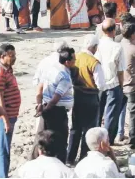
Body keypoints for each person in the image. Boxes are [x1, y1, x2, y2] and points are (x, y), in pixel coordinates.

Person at [67, 35, 105, 165]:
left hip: (77, 96)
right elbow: (101, 84)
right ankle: (83, 157)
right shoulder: (93, 62)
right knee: (89, 129)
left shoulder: (75, 58)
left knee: (75, 128)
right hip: (90, 97)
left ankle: (70, 157)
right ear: (94, 47)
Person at [35, 47, 76, 163]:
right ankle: (60, 163)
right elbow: (56, 98)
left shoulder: (51, 69)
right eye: (74, 59)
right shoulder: (65, 77)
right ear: (67, 62)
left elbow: (41, 87)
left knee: (44, 138)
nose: (75, 61)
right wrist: (46, 109)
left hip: (47, 108)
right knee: (60, 140)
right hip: (56, 111)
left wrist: (40, 105)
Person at [0, 44, 22, 177]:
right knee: (3, 148)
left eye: (14, 55)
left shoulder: (8, 70)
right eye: (11, 56)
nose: (14, 58)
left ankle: (1, 173)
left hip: (11, 115)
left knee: (5, 147)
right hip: (5, 116)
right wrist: (5, 120)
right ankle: (2, 175)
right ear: (2, 56)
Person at [97, 18, 127, 145]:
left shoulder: (97, 45)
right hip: (113, 84)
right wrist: (121, 85)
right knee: (111, 117)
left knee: (98, 115)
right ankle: (107, 143)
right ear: (114, 31)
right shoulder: (117, 47)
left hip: (99, 84)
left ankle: (96, 141)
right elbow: (120, 71)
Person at [121, 22, 135, 148]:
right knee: (132, 114)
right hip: (131, 86)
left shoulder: (121, 45)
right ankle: (132, 140)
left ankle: (118, 134)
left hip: (120, 84)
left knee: (118, 112)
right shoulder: (133, 48)